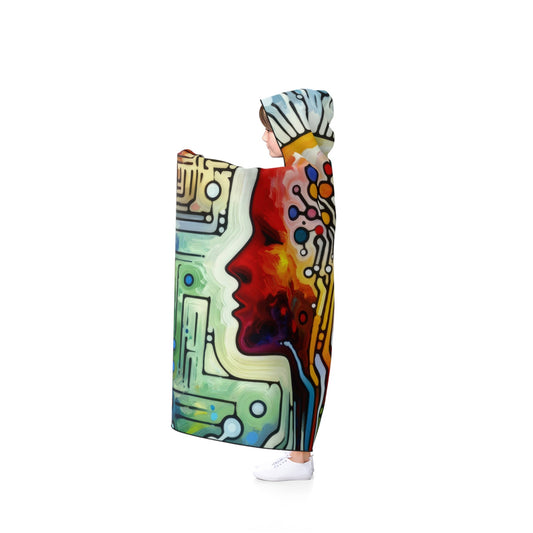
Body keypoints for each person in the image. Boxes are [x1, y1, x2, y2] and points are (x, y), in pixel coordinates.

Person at [173, 89, 335, 482]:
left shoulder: (305, 174)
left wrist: (195, 166)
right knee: (301, 369)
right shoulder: (313, 171)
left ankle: (300, 460)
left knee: (301, 366)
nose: (264, 137)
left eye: (270, 129)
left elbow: (247, 185)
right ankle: (298, 458)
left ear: (291, 130)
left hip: (302, 295)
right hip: (304, 293)